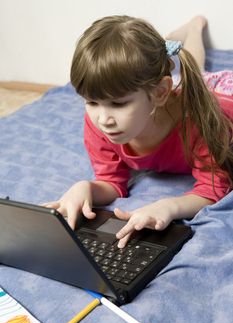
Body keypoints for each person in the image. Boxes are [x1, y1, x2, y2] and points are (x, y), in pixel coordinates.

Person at [45, 15, 233, 248]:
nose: (104, 120)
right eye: (92, 102)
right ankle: (194, 27)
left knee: (199, 75)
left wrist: (169, 206)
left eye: (119, 104)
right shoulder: (98, 122)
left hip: (223, 98)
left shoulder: (201, 122)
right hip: (176, 93)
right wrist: (85, 188)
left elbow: (213, 188)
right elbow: (113, 182)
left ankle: (194, 29)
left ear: (160, 93)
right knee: (195, 73)